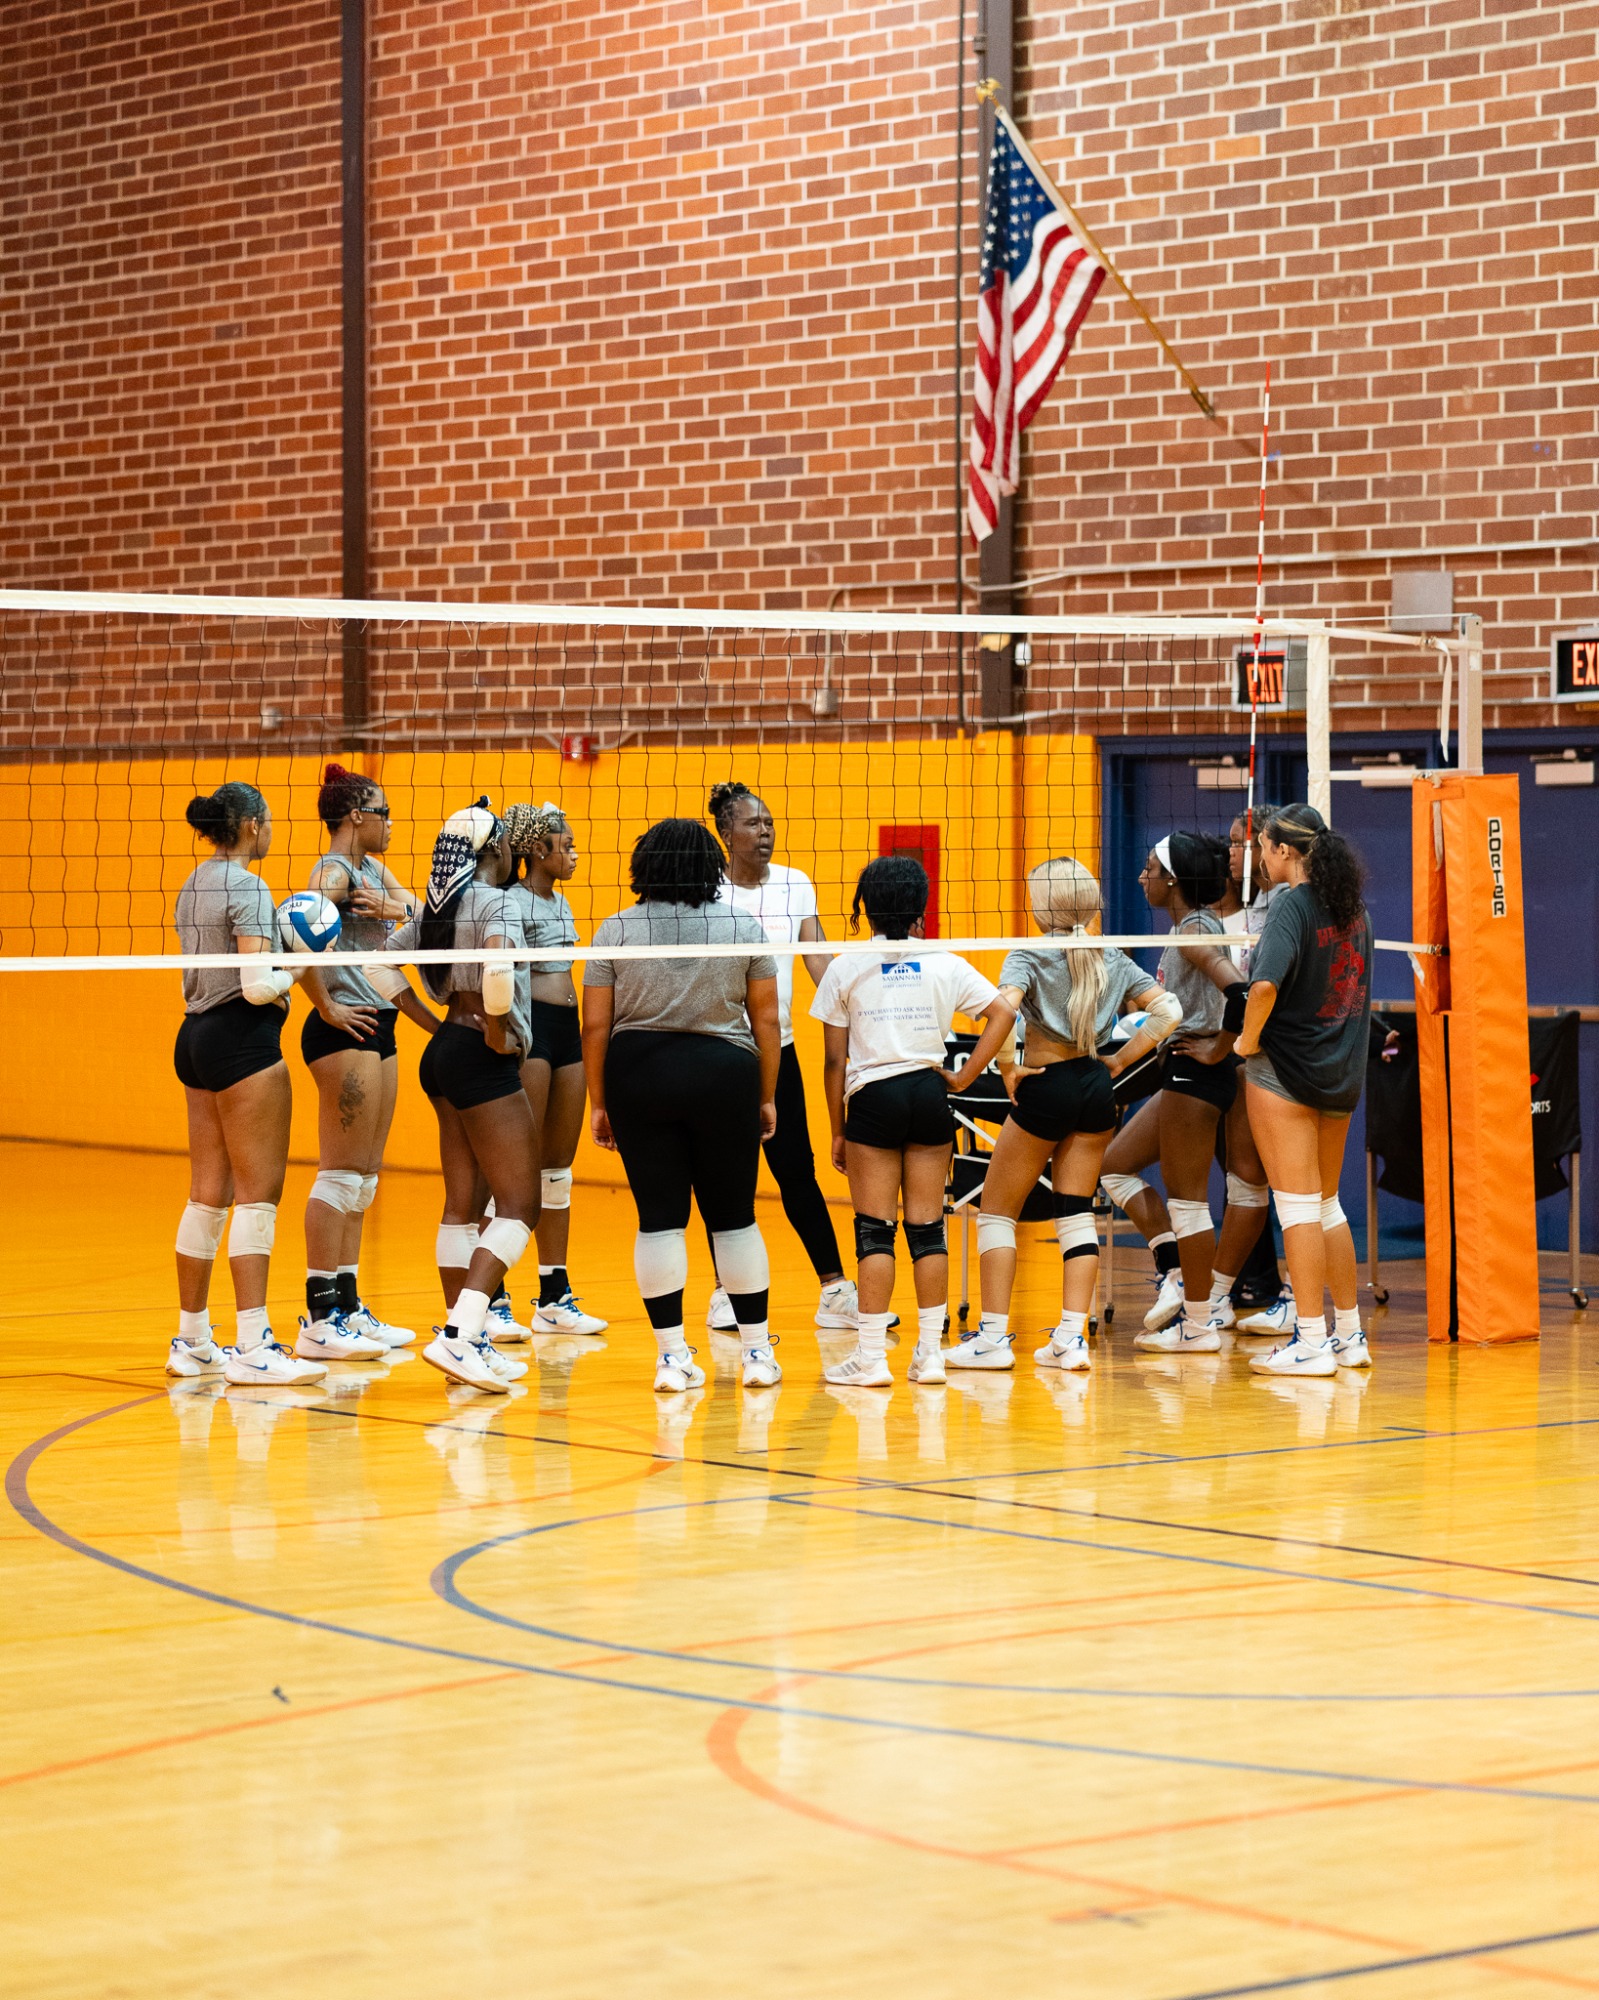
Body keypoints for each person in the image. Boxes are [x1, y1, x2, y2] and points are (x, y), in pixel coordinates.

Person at [957, 859, 1180, 1373]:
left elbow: (1004, 1012)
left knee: (996, 1213)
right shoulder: (1110, 956)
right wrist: (1121, 1060)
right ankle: (1069, 1339)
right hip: (1095, 1089)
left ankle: (991, 1340)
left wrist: (1009, 1068)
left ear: (1043, 906)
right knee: (1076, 1211)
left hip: (1047, 1087)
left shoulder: (1028, 954)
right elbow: (1168, 1011)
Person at [582, 818, 782, 1393]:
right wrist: (765, 1095)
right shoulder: (742, 925)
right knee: (735, 1218)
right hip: (724, 1073)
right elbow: (765, 1018)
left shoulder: (615, 929)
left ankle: (672, 1359)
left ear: (645, 864)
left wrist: (600, 1102)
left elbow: (595, 1025)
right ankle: (757, 1356)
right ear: (710, 864)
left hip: (638, 1073)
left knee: (660, 1219)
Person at [810, 855, 1016, 1389]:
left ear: (867, 908)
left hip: (874, 1098)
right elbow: (1004, 1014)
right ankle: (930, 1356)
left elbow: (834, 1062)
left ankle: (873, 1360)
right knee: (928, 1230)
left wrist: (837, 1129)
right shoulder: (944, 961)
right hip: (929, 1094)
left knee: (873, 1231)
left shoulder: (844, 965)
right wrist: (966, 1075)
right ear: (919, 907)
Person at [168, 781, 325, 1387]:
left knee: (206, 1192)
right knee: (258, 1193)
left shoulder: (193, 883)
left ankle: (192, 1339)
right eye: (270, 822)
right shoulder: (250, 887)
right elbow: (260, 984)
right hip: (242, 1039)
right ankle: (254, 1343)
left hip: (194, 1039)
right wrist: (312, 957)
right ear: (253, 825)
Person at [389, 801, 540, 1393]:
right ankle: (460, 1334)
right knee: (520, 1205)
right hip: (481, 1054)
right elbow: (498, 972)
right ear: (495, 851)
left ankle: (465, 1339)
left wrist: (432, 1023)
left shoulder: (435, 904)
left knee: (461, 1204)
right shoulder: (496, 900)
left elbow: (380, 964)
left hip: (446, 1048)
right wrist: (499, 1029)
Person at [296, 762, 436, 1361]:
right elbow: (293, 932)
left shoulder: (373, 872)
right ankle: (319, 1314)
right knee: (340, 1172)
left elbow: (429, 918)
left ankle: (348, 1304)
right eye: (383, 812)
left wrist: (391, 909)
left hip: (379, 1024)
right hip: (343, 1027)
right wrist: (324, 1004)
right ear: (356, 816)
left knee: (365, 1176)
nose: (390, 823)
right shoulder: (331, 872)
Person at [707, 781, 857, 1332]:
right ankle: (724, 1290)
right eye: (752, 823)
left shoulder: (795, 885)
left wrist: (855, 1001)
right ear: (726, 834)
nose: (765, 831)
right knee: (728, 1175)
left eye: (769, 822)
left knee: (797, 1171)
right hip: (722, 1050)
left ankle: (835, 1290)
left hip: (781, 1048)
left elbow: (820, 960)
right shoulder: (709, 892)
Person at [1233, 803, 1374, 1375]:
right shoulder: (1354, 909)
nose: (1260, 858)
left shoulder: (1291, 905)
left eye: (1263, 847)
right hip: (1339, 1073)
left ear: (1284, 850)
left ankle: (1311, 1341)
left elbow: (1263, 985)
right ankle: (1349, 1335)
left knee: (1296, 1208)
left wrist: (1245, 1042)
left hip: (1285, 1073)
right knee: (1326, 1204)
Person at [1099, 831, 1240, 1353]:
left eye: (1149, 870)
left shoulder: (1196, 932)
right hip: (1183, 1072)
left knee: (1190, 1207)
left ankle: (1200, 1326)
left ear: (1173, 879)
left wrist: (1217, 1049)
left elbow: (1239, 994)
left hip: (1195, 1073)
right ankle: (1175, 1273)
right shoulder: (1190, 926)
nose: (1142, 878)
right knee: (1113, 1164)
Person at [502, 800, 606, 1336]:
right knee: (514, 1161)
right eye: (566, 846)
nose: (574, 855)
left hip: (568, 1033)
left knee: (557, 1166)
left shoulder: (561, 904)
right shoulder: (511, 903)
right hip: (532, 1029)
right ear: (538, 850)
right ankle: (494, 1296)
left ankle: (553, 1293)